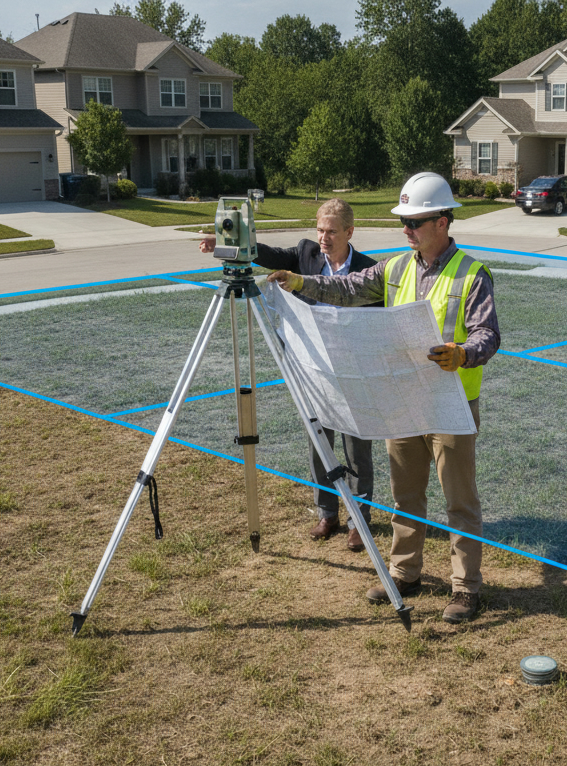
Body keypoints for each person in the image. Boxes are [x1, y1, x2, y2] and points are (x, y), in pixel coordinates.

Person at [265, 173, 500, 624]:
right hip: (404, 400)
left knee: (460, 501)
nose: (406, 229)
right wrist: (299, 284)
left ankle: (465, 589)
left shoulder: (472, 274)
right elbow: (346, 289)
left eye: (414, 221)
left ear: (443, 222)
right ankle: (405, 572)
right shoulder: (395, 268)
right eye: (404, 222)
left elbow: (489, 335)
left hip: (452, 403)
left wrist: (462, 353)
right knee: (405, 495)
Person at [200, 199, 377, 552]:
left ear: (349, 232)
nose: (323, 238)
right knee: (318, 442)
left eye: (331, 231)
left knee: (357, 448)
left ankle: (359, 518)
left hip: (351, 373)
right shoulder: (305, 253)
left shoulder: (369, 269)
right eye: (320, 230)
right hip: (310, 368)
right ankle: (327, 513)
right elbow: (268, 254)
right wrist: (226, 244)